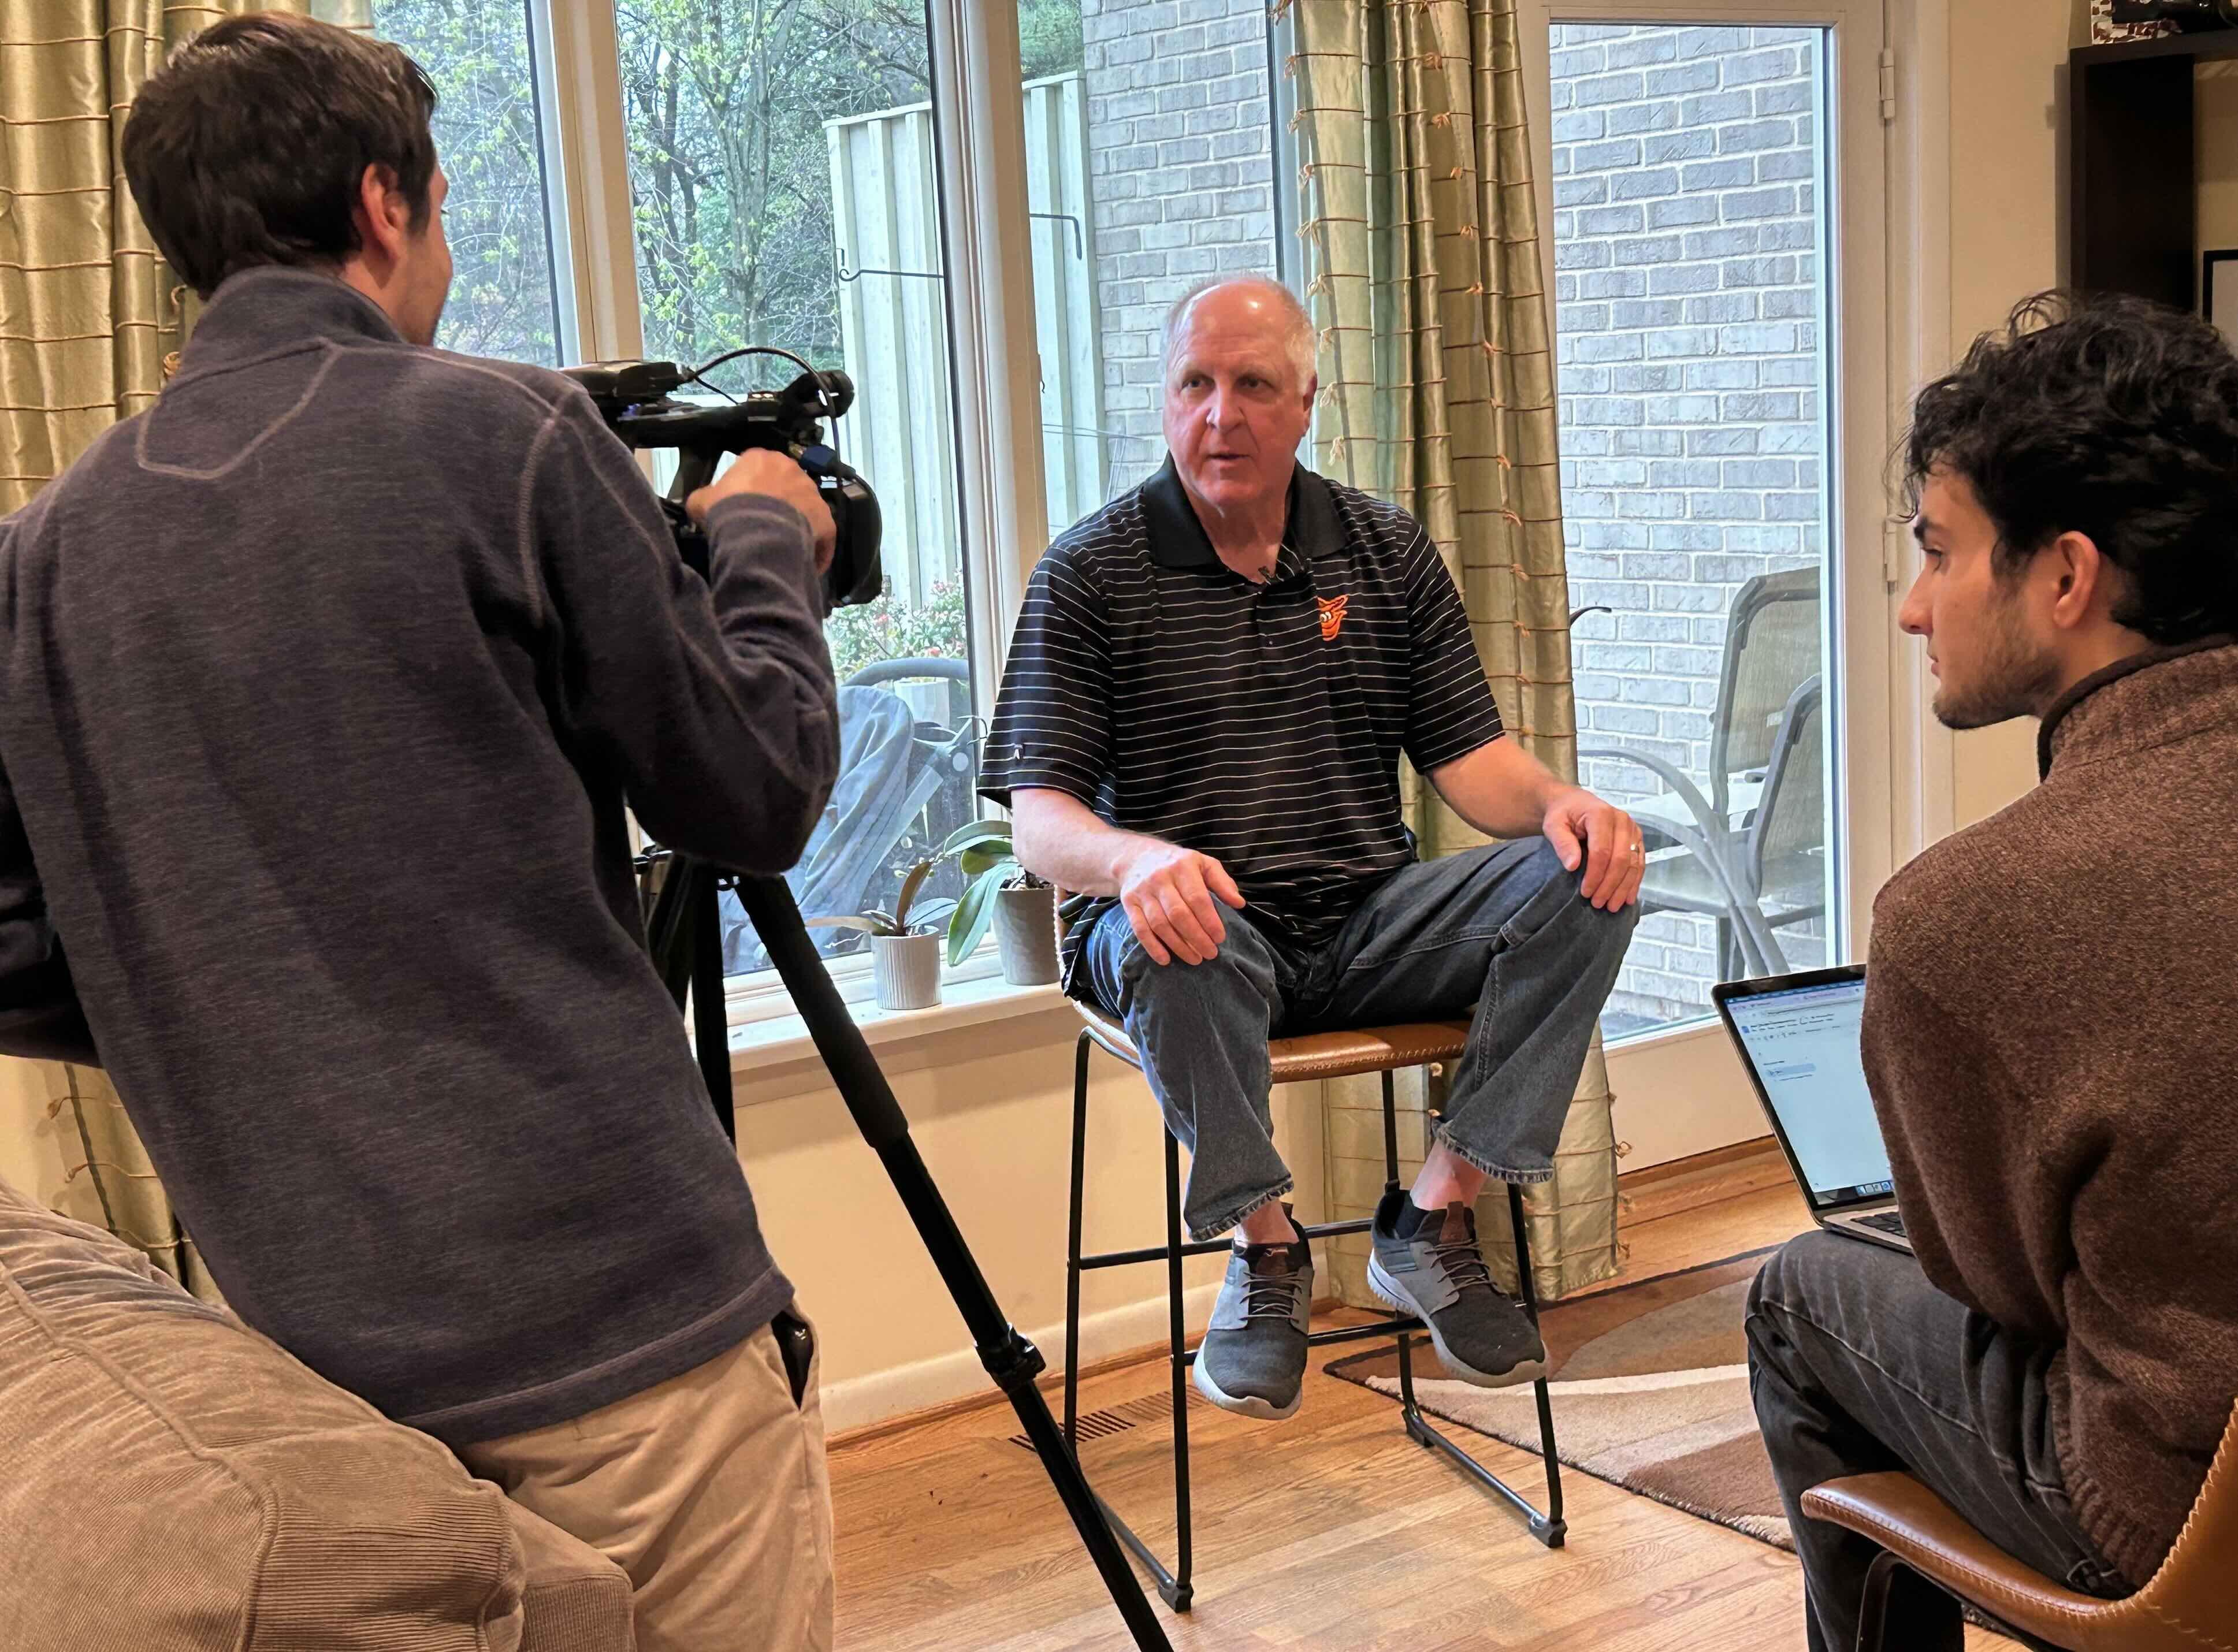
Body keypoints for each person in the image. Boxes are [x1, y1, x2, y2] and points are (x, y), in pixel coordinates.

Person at [0, 17, 841, 1651]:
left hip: (318, 1371)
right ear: (387, 203)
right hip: (625, 1338)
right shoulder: (501, 436)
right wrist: (758, 542)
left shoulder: (38, 561)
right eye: (443, 206)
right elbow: (753, 791)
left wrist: (238, 1015)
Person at [982, 274, 1644, 1422]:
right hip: (1187, 937)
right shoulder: (1091, 570)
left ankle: (1433, 1217)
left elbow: (1470, 758)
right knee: (1175, 928)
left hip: (1359, 920)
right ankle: (1266, 1249)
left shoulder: (1381, 551)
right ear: (1163, 399)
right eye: (1194, 385)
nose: (1218, 416)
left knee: (1585, 880)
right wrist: (1134, 860)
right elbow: (1035, 817)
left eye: (1250, 386)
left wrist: (1555, 803)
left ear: (1304, 404)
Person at [1746, 291, 2238, 1651]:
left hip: (2180, 1523)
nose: (1908, 609)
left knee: (1799, 1290)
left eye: (1935, 551)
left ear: (2064, 577)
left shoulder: (1962, 917)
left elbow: (1998, 1294)